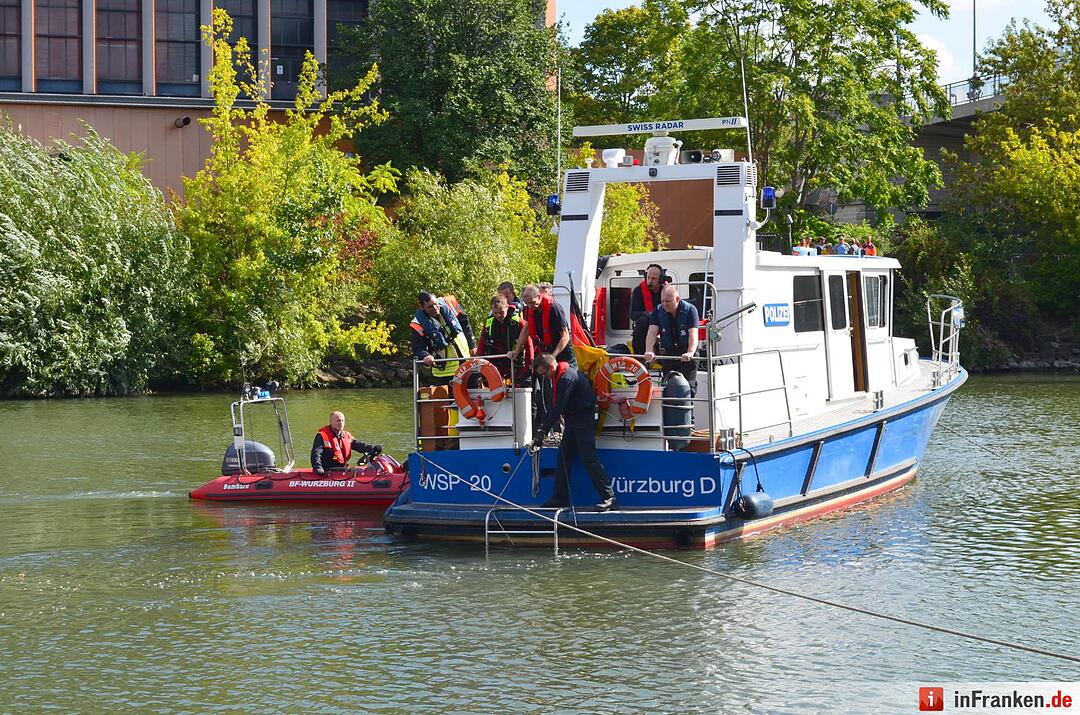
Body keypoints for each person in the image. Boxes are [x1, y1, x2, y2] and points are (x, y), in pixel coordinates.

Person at [532, 353, 615, 511]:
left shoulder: (566, 378)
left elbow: (558, 407)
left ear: (552, 367)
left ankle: (608, 496)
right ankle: (560, 497)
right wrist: (543, 429)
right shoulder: (558, 376)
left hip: (584, 418)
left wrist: (542, 431)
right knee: (563, 457)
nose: (544, 377)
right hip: (573, 419)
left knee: (589, 458)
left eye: (544, 373)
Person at [643, 285, 700, 396]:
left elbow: (693, 333)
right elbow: (652, 331)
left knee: (687, 386)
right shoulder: (658, 310)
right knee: (667, 386)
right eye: (662, 301)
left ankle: (688, 406)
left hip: (686, 353)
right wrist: (649, 350)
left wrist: (690, 352)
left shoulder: (690, 310)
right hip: (669, 352)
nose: (664, 304)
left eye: (668, 301)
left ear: (677, 299)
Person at [410, 291, 476, 384]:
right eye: (430, 306)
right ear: (422, 307)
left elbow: (465, 323)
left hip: (466, 362)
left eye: (435, 304)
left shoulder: (450, 303)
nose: (435, 308)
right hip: (445, 370)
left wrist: (472, 344)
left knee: (473, 388)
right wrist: (425, 355)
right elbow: (418, 347)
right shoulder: (416, 324)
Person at [509, 283, 576, 367]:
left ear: (539, 296)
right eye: (527, 303)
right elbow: (526, 330)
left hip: (564, 353)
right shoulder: (530, 310)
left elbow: (565, 336)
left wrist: (552, 357)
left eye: (532, 302)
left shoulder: (554, 308)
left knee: (565, 374)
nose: (530, 306)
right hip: (547, 350)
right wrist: (516, 351)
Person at [477, 293, 531, 385]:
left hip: (516, 368)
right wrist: (480, 369)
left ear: (507, 307)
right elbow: (481, 347)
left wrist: (527, 369)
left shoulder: (518, 323)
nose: (498, 315)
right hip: (496, 368)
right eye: (495, 313)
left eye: (501, 312)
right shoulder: (489, 324)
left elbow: (529, 346)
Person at [310, 411, 381, 475]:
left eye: (342, 421)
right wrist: (317, 467)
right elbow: (316, 453)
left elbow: (358, 445)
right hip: (328, 469)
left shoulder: (346, 435)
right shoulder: (322, 435)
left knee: (360, 471)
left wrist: (372, 448)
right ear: (331, 422)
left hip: (342, 469)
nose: (341, 423)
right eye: (338, 421)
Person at [629, 263, 665, 354]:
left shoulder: (667, 291)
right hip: (646, 324)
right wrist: (647, 313)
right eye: (648, 278)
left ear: (661, 279)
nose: (650, 281)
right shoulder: (638, 291)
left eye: (653, 279)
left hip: (664, 322)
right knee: (643, 322)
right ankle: (641, 355)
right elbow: (633, 315)